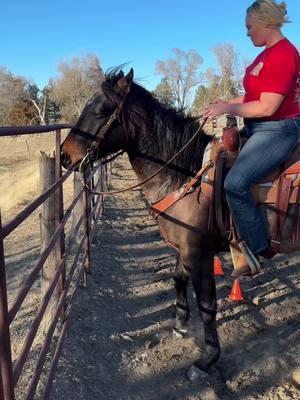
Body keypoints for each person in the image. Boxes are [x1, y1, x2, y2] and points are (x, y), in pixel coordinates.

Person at [203, 0, 300, 275]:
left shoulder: (283, 55)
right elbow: (253, 97)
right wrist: (226, 102)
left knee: (236, 183)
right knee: (217, 160)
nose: (247, 33)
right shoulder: (264, 56)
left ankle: (259, 249)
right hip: (260, 127)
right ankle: (231, 234)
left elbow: (268, 106)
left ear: (266, 23)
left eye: (249, 27)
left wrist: (228, 109)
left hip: (278, 128)